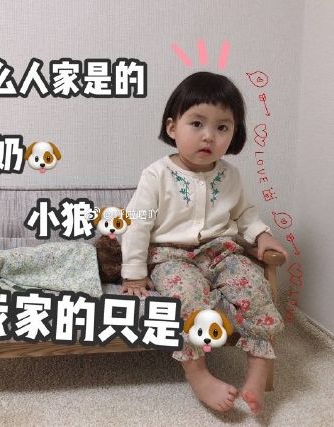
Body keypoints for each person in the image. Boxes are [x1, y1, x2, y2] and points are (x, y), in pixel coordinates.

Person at [120, 71, 289, 415]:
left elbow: (245, 213)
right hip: (171, 257)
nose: (208, 135)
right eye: (197, 123)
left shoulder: (230, 175)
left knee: (254, 285)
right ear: (172, 128)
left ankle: (258, 368)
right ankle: (197, 373)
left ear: (234, 133)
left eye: (222, 127)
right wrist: (134, 272)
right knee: (186, 297)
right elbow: (137, 224)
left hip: (221, 252)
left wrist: (261, 235)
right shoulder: (157, 175)